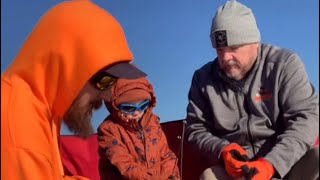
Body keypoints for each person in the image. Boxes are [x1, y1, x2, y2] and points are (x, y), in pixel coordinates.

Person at [1, 0, 147, 179]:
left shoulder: (36, 108)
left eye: (114, 81)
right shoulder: (20, 134)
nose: (108, 95)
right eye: (104, 80)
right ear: (66, 67)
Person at [185, 0, 319, 180]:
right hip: (239, 172)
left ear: (255, 42)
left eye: (234, 48)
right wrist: (222, 150)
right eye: (219, 49)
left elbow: (307, 118)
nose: (225, 57)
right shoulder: (203, 80)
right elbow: (196, 130)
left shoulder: (284, 65)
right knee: (210, 177)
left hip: (287, 165)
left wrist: (271, 164)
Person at [97, 77, 181, 180]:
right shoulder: (109, 130)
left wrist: (170, 176)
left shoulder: (153, 123)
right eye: (129, 108)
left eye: (143, 105)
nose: (137, 112)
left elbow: (166, 155)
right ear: (115, 107)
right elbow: (124, 164)